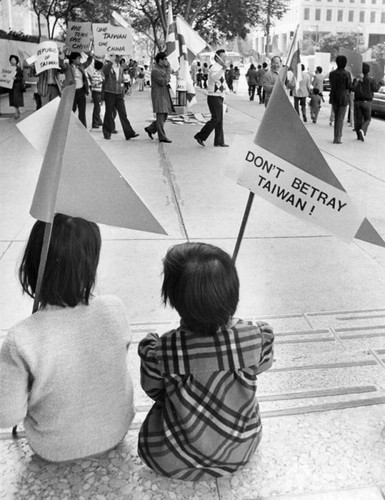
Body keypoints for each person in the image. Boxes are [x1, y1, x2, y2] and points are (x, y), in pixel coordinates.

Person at [0, 213, 135, 462]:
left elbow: (6, 416)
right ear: (91, 265)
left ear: (31, 265)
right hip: (116, 431)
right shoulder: (114, 308)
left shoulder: (21, 338)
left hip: (54, 448)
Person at [137, 242, 274, 480]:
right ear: (233, 294)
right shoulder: (254, 337)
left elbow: (153, 390)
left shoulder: (162, 351)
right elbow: (263, 365)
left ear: (173, 300)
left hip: (171, 457)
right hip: (240, 449)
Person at [194, 49, 228, 148]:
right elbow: (214, 78)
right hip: (213, 97)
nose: (225, 59)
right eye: (223, 57)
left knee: (219, 120)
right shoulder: (215, 67)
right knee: (216, 119)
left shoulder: (221, 67)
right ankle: (200, 136)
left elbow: (222, 84)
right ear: (217, 58)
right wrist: (223, 70)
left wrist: (225, 96)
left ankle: (219, 141)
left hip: (219, 96)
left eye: (225, 57)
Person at [102, 54, 139, 141]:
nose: (119, 58)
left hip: (119, 93)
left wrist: (123, 93)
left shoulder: (121, 68)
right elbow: (105, 72)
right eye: (117, 56)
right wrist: (111, 62)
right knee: (108, 113)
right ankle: (107, 133)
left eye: (119, 56)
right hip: (110, 93)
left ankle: (129, 133)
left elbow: (121, 81)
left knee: (123, 113)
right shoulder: (108, 66)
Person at [144, 52, 174, 143]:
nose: (167, 61)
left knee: (165, 115)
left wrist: (168, 71)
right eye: (165, 59)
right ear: (160, 60)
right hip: (158, 95)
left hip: (164, 94)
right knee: (161, 115)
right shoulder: (155, 71)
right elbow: (163, 81)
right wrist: (168, 71)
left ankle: (151, 128)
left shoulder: (163, 68)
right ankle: (162, 136)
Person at [61, 52, 92, 128]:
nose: (79, 60)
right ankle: (67, 127)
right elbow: (62, 65)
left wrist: (90, 54)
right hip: (72, 92)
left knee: (82, 112)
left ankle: (83, 128)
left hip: (81, 91)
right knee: (71, 111)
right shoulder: (68, 67)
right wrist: (61, 55)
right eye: (78, 58)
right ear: (73, 59)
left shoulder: (81, 66)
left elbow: (88, 62)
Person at [329, 55, 352, 144]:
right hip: (343, 97)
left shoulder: (332, 74)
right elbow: (349, 86)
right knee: (340, 118)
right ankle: (337, 137)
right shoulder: (347, 74)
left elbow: (331, 85)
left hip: (334, 96)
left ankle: (336, 136)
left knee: (336, 116)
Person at [353, 62, 377, 142]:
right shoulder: (371, 79)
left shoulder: (357, 78)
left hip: (357, 101)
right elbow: (375, 89)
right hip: (367, 102)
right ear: (368, 70)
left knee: (358, 119)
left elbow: (353, 88)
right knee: (367, 119)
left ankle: (358, 136)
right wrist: (380, 82)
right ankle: (363, 130)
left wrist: (357, 79)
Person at [8, 55, 25, 119]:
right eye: (11, 60)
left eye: (14, 60)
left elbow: (21, 77)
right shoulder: (9, 69)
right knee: (12, 99)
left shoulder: (18, 69)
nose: (12, 61)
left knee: (16, 99)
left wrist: (16, 78)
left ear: (16, 61)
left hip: (17, 86)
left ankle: (17, 111)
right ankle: (16, 110)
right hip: (11, 86)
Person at [90, 59, 105, 129]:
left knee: (98, 107)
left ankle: (99, 120)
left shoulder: (99, 74)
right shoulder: (96, 74)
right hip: (96, 92)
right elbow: (94, 84)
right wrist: (101, 82)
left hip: (99, 92)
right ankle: (95, 123)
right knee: (97, 108)